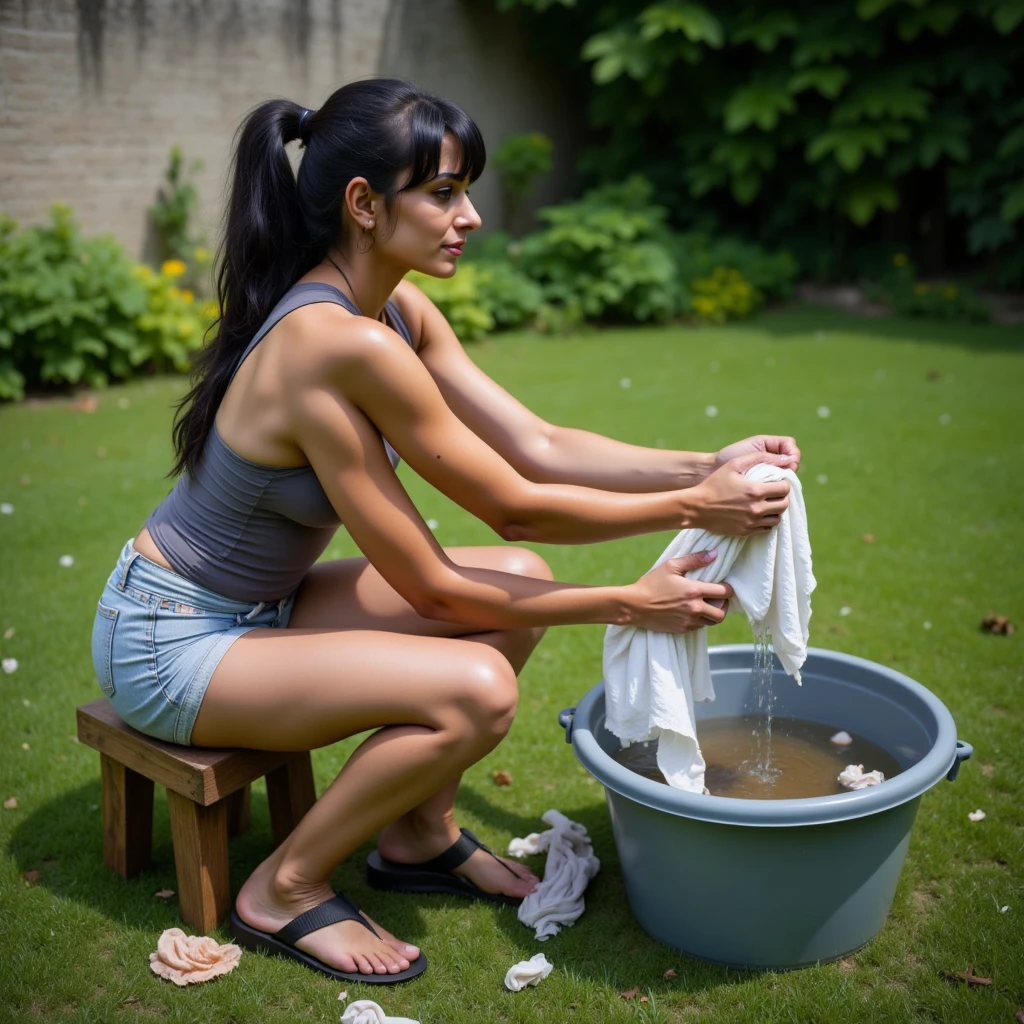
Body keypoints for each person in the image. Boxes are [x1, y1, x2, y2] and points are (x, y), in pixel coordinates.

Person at [90, 78, 798, 985]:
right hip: (169, 642)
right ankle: (287, 887)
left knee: (515, 585)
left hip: (259, 608)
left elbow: (536, 446)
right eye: (443, 192)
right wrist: (638, 587)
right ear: (364, 204)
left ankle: (419, 835)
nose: (467, 216)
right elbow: (471, 541)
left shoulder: (392, 310)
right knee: (476, 688)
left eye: (464, 190)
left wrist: (704, 468)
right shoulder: (331, 344)